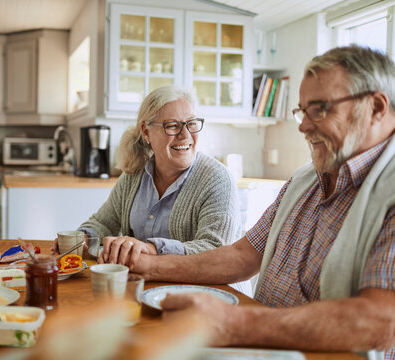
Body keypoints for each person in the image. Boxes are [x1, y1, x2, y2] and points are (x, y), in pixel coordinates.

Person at [130, 45, 395, 359]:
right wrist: (149, 265)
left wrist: (234, 324)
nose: (303, 125)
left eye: (320, 108)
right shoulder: (304, 180)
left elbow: (382, 320)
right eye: (303, 110)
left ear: (377, 108)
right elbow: (242, 256)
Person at [52, 85, 246, 290]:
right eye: (172, 126)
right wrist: (81, 238)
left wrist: (150, 248)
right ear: (146, 132)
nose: (185, 135)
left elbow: (215, 250)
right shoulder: (134, 174)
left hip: (212, 296)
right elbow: (103, 222)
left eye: (191, 123)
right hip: (148, 288)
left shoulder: (217, 179)